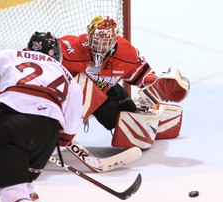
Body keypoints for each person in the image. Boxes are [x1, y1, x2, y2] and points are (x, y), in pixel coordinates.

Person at [0, 32, 83, 202]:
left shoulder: (12, 55)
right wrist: (49, 148)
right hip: (48, 129)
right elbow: (70, 129)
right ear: (56, 54)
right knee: (26, 187)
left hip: (11, 120)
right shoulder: (69, 78)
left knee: (12, 194)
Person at [58, 16, 189, 148]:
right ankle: (57, 133)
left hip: (103, 93)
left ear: (114, 39)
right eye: (96, 41)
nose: (100, 47)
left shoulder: (126, 54)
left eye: (106, 42)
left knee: (129, 124)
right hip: (68, 99)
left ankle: (156, 120)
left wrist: (160, 85)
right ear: (89, 36)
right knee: (82, 82)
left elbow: (141, 75)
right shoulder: (70, 48)